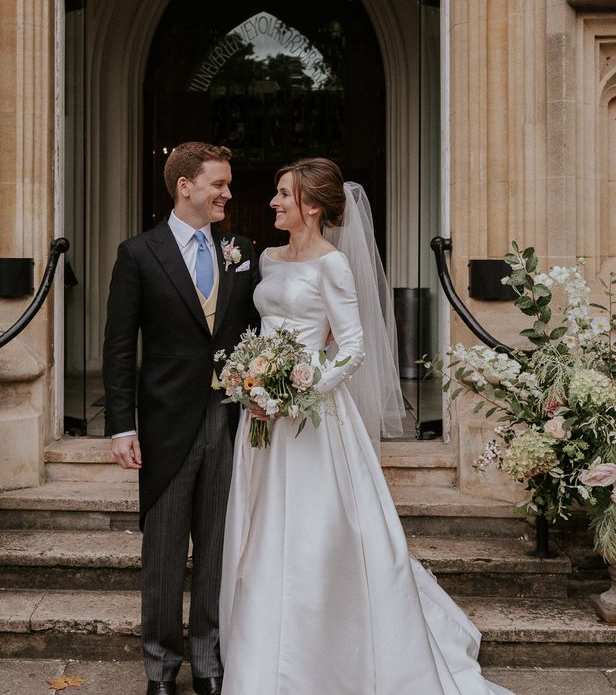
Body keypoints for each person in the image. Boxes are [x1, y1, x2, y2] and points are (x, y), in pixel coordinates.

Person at [218, 158, 514, 695]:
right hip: (261, 418)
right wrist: (252, 382)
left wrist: (296, 392)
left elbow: (351, 348)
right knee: (259, 529)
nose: (273, 202)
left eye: (283, 194)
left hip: (312, 419)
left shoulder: (333, 265)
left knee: (315, 535)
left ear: (311, 205)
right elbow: (264, 329)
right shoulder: (266, 258)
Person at [104, 142, 260, 695]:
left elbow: (257, 332)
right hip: (166, 425)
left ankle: (210, 665)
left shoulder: (241, 249)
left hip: (228, 421)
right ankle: (161, 669)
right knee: (164, 552)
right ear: (185, 186)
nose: (227, 193)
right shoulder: (138, 254)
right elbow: (120, 346)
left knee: (218, 547)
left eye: (228, 183)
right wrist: (123, 426)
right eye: (218, 183)